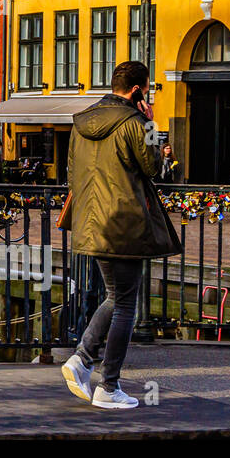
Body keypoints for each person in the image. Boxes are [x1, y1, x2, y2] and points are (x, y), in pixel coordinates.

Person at [60, 60, 181, 409]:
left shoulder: (81, 123)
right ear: (138, 90)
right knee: (125, 303)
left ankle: (82, 359)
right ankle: (107, 385)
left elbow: (73, 172)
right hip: (125, 222)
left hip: (92, 222)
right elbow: (154, 166)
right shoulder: (137, 122)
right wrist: (153, 125)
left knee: (114, 296)